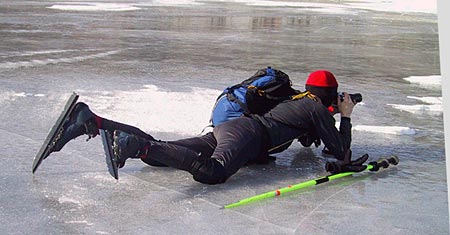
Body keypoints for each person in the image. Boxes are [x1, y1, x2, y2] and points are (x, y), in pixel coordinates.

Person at [50, 70, 364, 184]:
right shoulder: (313, 106)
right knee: (213, 173)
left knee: (160, 154)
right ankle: (135, 145)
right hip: (249, 135)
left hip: (233, 128)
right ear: (328, 96)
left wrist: (330, 116)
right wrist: (346, 116)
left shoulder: (302, 101)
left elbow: (311, 144)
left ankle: (92, 121)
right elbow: (340, 151)